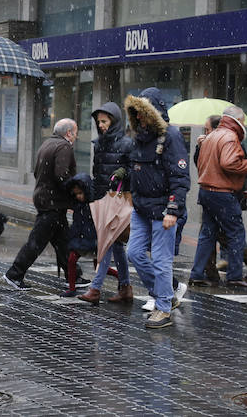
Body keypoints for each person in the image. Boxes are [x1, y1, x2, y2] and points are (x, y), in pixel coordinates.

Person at [124, 88, 190, 329]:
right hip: (141, 208)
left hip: (162, 209)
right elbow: (135, 168)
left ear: (153, 112)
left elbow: (180, 177)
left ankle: (163, 308)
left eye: (143, 113)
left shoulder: (170, 136)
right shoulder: (140, 137)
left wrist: (173, 210)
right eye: (136, 113)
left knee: (162, 261)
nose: (139, 117)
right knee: (134, 253)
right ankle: (166, 295)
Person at [4, 118, 79, 291]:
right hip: (53, 203)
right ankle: (14, 274)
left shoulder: (47, 143)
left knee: (63, 241)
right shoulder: (64, 147)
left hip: (46, 199)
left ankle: (74, 276)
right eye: (75, 133)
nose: (76, 137)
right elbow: (62, 175)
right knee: (36, 242)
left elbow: (38, 171)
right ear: (68, 133)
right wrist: (75, 191)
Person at [188, 115, 247, 286]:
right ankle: (235, 276)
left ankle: (197, 274)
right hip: (222, 193)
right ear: (236, 120)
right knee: (235, 233)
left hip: (207, 191)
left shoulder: (211, 137)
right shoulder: (229, 137)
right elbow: (229, 163)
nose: (243, 123)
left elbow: (201, 164)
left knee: (207, 234)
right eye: (241, 120)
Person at [79, 102, 133, 305]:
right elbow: (97, 174)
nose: (101, 125)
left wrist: (124, 173)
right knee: (116, 245)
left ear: (114, 121)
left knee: (106, 243)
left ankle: (95, 289)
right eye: (99, 121)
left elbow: (134, 170)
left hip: (119, 200)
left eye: (104, 121)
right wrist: (93, 198)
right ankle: (125, 287)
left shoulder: (127, 144)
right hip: (103, 200)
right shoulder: (99, 144)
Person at [60, 173, 97, 297]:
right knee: (71, 260)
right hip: (79, 238)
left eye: (80, 193)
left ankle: (121, 280)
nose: (78, 196)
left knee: (100, 267)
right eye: (76, 194)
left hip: (93, 238)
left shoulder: (93, 204)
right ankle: (72, 288)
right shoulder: (77, 204)